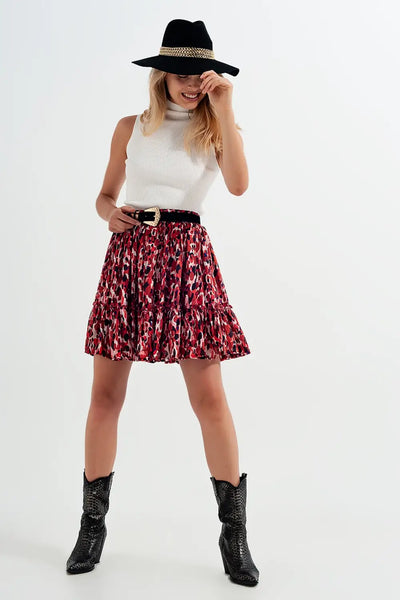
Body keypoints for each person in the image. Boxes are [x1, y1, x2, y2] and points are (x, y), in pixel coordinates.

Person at [66, 19, 259, 587]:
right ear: (162, 75)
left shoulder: (217, 127)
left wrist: (225, 105)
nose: (191, 84)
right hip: (129, 260)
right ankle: (91, 526)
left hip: (187, 263)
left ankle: (234, 533)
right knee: (105, 396)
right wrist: (110, 214)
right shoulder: (130, 127)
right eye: (181, 74)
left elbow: (239, 185)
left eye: (201, 75)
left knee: (210, 400)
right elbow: (104, 195)